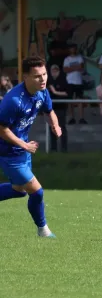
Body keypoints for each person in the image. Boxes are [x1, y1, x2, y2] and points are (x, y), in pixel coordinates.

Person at [0, 56, 62, 238]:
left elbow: (49, 111)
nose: (42, 79)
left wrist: (55, 126)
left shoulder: (42, 92)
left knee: (18, 191)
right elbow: (2, 130)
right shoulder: (13, 101)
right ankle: (43, 230)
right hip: (8, 153)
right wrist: (24, 145)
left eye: (44, 74)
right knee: (37, 192)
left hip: (23, 150)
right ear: (25, 77)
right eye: (37, 76)